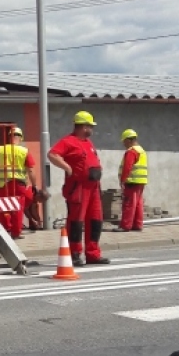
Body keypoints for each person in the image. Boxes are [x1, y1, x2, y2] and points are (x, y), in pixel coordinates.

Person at [47, 111, 110, 266]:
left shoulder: (88, 142)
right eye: (90, 126)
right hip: (79, 188)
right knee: (76, 221)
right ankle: (75, 253)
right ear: (83, 126)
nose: (92, 129)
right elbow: (53, 154)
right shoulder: (68, 141)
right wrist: (68, 168)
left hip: (93, 188)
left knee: (95, 221)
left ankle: (93, 254)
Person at [0, 127, 37, 239]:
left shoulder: (1, 149)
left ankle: (5, 230)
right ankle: (15, 233)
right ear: (21, 138)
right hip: (18, 184)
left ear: (9, 137)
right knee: (17, 209)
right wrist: (34, 185)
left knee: (4, 207)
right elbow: (30, 170)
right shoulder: (24, 151)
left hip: (3, 183)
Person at [114, 129, 148, 232]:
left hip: (132, 181)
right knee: (138, 204)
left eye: (124, 141)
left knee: (128, 204)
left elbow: (127, 167)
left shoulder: (131, 151)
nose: (124, 144)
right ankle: (137, 225)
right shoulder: (141, 150)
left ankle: (125, 226)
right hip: (140, 181)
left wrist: (123, 180)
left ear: (129, 140)